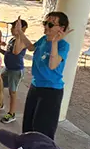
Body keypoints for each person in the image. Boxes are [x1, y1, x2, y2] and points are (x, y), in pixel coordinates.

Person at [16, 11, 71, 140]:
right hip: (36, 86)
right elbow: (30, 47)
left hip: (51, 91)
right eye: (45, 23)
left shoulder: (63, 45)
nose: (46, 26)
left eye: (50, 24)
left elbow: (52, 65)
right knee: (28, 125)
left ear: (61, 28)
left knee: (42, 130)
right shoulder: (43, 39)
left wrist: (55, 42)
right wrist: (20, 32)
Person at [0, 18, 28, 124]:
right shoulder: (12, 39)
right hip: (8, 68)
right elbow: (8, 53)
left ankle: (12, 113)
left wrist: (19, 34)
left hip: (15, 70)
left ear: (23, 28)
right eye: (13, 27)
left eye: (15, 27)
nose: (12, 29)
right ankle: (0, 103)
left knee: (13, 92)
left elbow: (16, 52)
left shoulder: (22, 40)